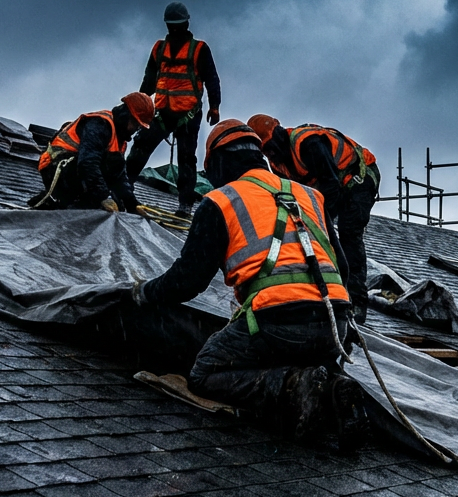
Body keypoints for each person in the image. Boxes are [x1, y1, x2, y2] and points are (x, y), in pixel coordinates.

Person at [131, 119, 367, 452]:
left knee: (205, 372)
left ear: (218, 164)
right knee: (300, 353)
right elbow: (342, 267)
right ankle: (330, 385)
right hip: (335, 328)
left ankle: (293, 384)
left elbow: (187, 281)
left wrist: (144, 292)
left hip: (279, 325)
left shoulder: (221, 200)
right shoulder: (311, 196)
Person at [248, 114, 379, 324]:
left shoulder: (308, 143)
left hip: (358, 180)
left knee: (348, 234)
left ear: (278, 135)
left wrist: (318, 225)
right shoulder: (278, 164)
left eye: (270, 146)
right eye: (266, 151)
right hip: (332, 188)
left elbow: (331, 187)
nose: (270, 153)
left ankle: (356, 303)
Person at [126, 1, 221, 219]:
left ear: (186, 23)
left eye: (177, 24)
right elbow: (149, 80)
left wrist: (214, 106)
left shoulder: (199, 49)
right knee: (141, 145)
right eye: (172, 24)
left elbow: (211, 79)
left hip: (188, 114)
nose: (174, 28)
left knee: (186, 158)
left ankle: (185, 205)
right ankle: (124, 186)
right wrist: (139, 104)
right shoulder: (159, 48)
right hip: (162, 112)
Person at [34, 93, 153, 212]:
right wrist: (104, 197)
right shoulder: (99, 125)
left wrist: (132, 204)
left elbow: (119, 176)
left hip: (77, 172)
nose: (135, 129)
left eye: (139, 126)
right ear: (126, 115)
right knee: (100, 201)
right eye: (135, 124)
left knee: (117, 205)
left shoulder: (119, 139)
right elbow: (87, 163)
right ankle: (65, 202)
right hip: (59, 171)